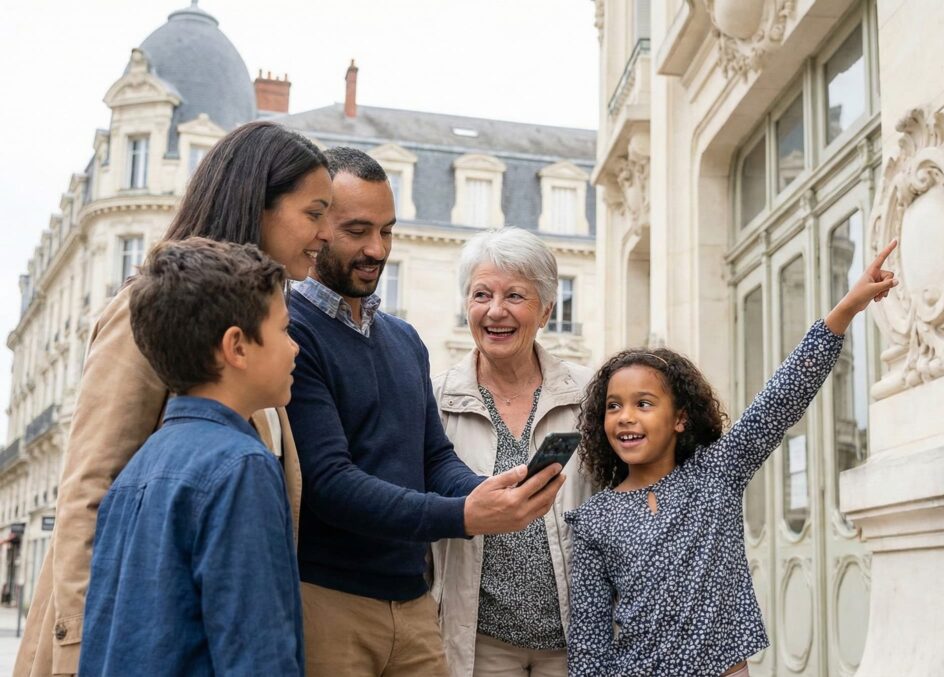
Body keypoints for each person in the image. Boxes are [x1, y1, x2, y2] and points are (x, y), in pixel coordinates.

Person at [15, 120, 332, 677]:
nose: (325, 232)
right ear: (258, 204)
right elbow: (90, 487)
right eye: (313, 212)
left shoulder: (254, 324)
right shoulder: (153, 310)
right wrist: (86, 647)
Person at [285, 148, 565, 677]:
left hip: (414, 604)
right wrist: (464, 515)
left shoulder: (403, 339)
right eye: (358, 230)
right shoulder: (293, 331)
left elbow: (434, 456)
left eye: (387, 231)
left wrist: (484, 489)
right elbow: (328, 481)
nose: (377, 249)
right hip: (329, 599)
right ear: (318, 226)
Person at [566, 241, 900, 677]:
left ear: (680, 418)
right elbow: (589, 651)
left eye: (643, 403)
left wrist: (846, 311)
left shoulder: (715, 474)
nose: (625, 417)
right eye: (613, 406)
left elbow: (782, 398)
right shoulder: (594, 520)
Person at [79, 239, 303, 676]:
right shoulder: (241, 466)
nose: (295, 348)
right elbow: (258, 651)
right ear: (237, 346)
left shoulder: (136, 471)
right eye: (283, 329)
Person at [431, 227, 594, 676]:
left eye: (515, 296)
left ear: (545, 310)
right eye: (481, 294)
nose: (495, 311)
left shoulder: (591, 393)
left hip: (575, 638)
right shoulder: (436, 400)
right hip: (481, 642)